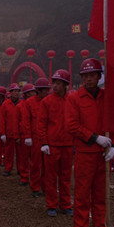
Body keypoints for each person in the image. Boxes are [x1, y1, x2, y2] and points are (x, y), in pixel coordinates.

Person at [65, 58, 114, 227]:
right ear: (82, 77)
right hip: (85, 152)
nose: (89, 79)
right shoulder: (74, 98)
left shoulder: (108, 98)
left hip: (103, 154)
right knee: (82, 193)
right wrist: (94, 137)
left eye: (93, 75)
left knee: (101, 193)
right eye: (86, 76)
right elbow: (71, 125)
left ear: (99, 76)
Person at [37, 70, 74, 217]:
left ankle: (65, 204)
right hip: (52, 145)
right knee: (51, 177)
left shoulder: (72, 100)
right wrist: (44, 142)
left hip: (68, 145)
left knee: (65, 177)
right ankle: (51, 205)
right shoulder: (47, 101)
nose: (55, 86)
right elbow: (42, 123)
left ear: (65, 85)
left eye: (58, 83)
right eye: (54, 83)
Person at [21, 78, 50, 197]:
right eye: (44, 90)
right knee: (36, 164)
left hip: (48, 138)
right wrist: (28, 136)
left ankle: (45, 187)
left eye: (47, 90)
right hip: (36, 138)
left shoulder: (50, 101)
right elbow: (26, 120)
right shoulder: (30, 103)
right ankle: (35, 187)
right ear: (38, 90)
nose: (47, 92)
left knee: (47, 165)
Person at [0, 83, 21, 176]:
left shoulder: (22, 104)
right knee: (8, 153)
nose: (16, 93)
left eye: (17, 91)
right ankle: (8, 169)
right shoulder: (5, 105)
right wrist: (2, 133)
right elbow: (2, 120)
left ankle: (21, 169)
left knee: (21, 154)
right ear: (11, 93)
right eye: (14, 91)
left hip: (20, 134)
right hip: (9, 133)